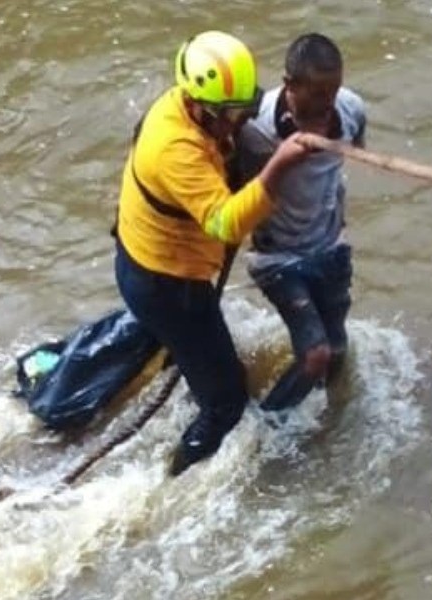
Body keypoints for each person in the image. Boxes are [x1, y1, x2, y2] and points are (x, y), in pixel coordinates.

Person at [113, 31, 312, 476]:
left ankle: (185, 359)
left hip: (145, 258)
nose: (238, 122)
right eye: (230, 115)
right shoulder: (175, 148)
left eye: (246, 109)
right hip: (166, 284)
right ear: (200, 106)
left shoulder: (188, 107)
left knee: (193, 353)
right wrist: (276, 171)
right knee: (226, 401)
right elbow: (224, 222)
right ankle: (175, 475)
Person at [233, 33, 366, 412]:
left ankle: (332, 419)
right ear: (289, 85)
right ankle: (266, 429)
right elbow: (236, 195)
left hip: (330, 247)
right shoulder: (254, 128)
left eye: (333, 91)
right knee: (315, 355)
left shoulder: (351, 109)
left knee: (337, 349)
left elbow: (358, 153)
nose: (327, 104)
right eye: (316, 94)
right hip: (277, 257)